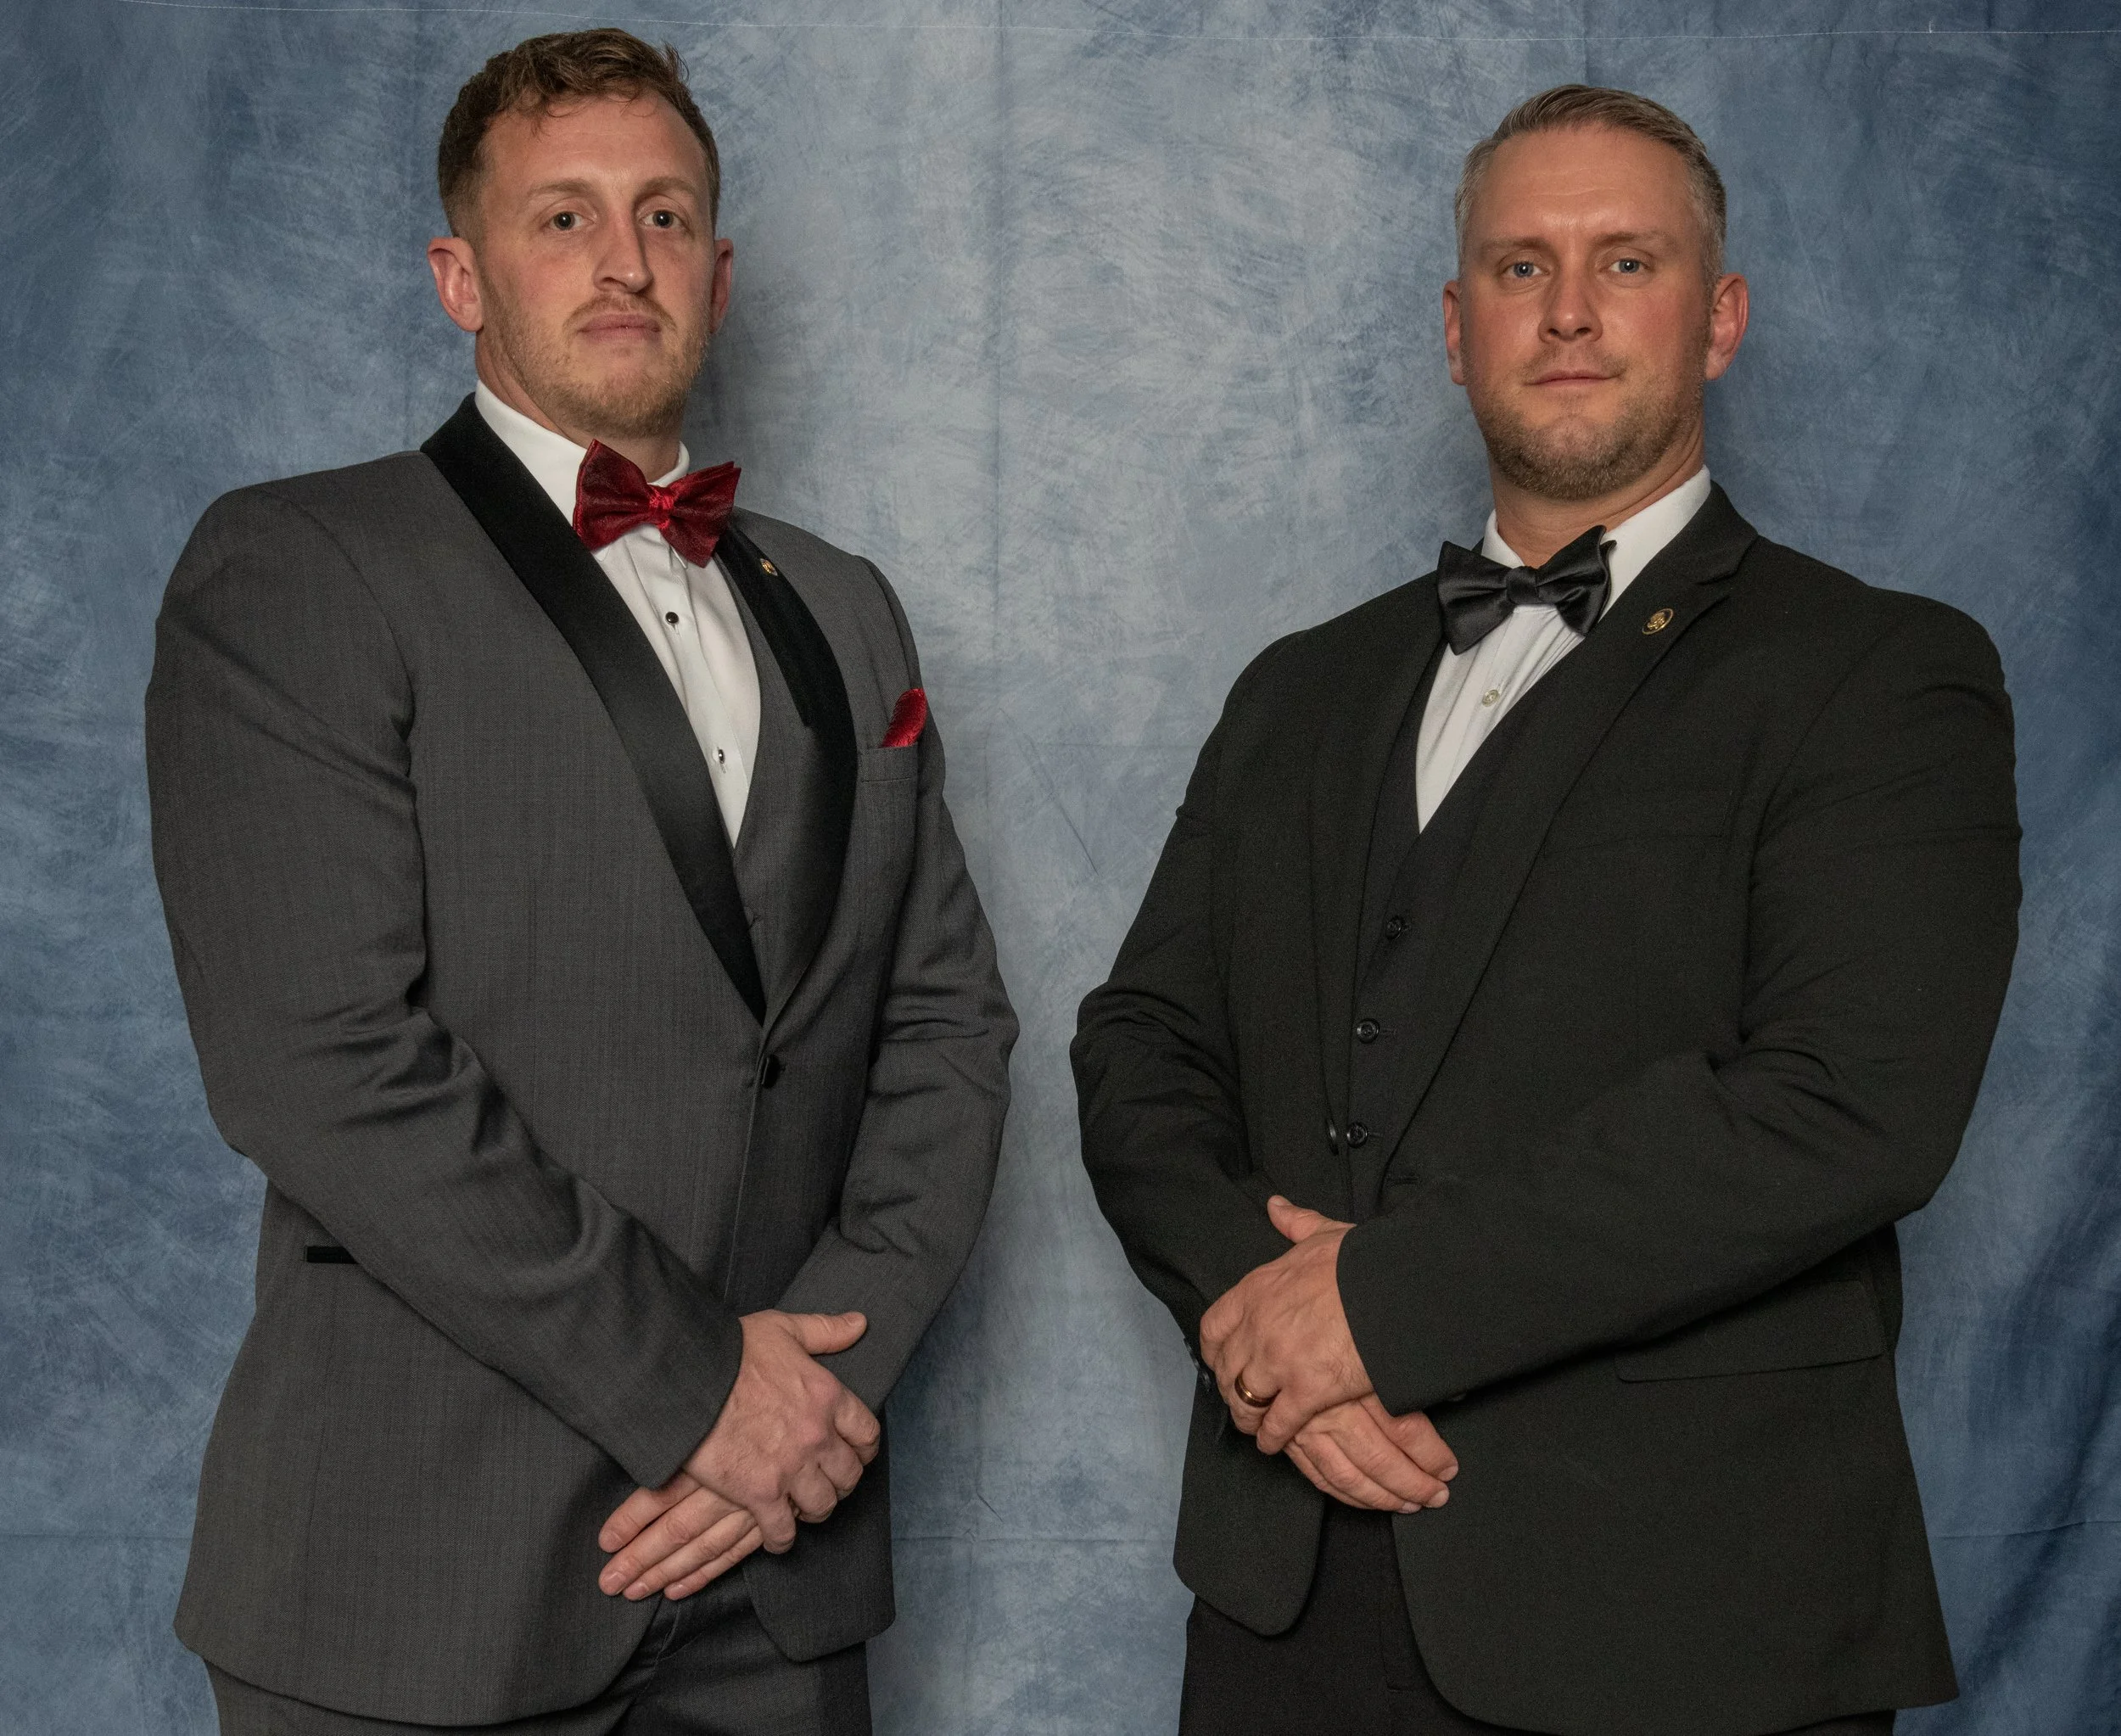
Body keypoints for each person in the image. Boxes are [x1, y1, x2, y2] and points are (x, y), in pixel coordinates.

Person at [1073, 84, 2018, 1736]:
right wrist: (1256, 1321)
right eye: (1518, 267)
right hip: (1288, 1592)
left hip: (1686, 1611)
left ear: (1715, 319)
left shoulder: (1876, 675)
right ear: (1453, 328)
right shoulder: (1297, 690)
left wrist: (1371, 1305)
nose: (1567, 310)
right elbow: (1142, 1043)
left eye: (1623, 262)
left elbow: (1847, 1107)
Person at [146, 29, 1014, 1735]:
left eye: (665, 215)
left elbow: (942, 1023)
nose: (624, 261)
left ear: (719, 268)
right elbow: (321, 1063)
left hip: (777, 1573)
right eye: (562, 219)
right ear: (458, 276)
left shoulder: (847, 608)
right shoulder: (299, 568)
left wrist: (802, 1410)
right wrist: (704, 1393)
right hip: (416, 1581)